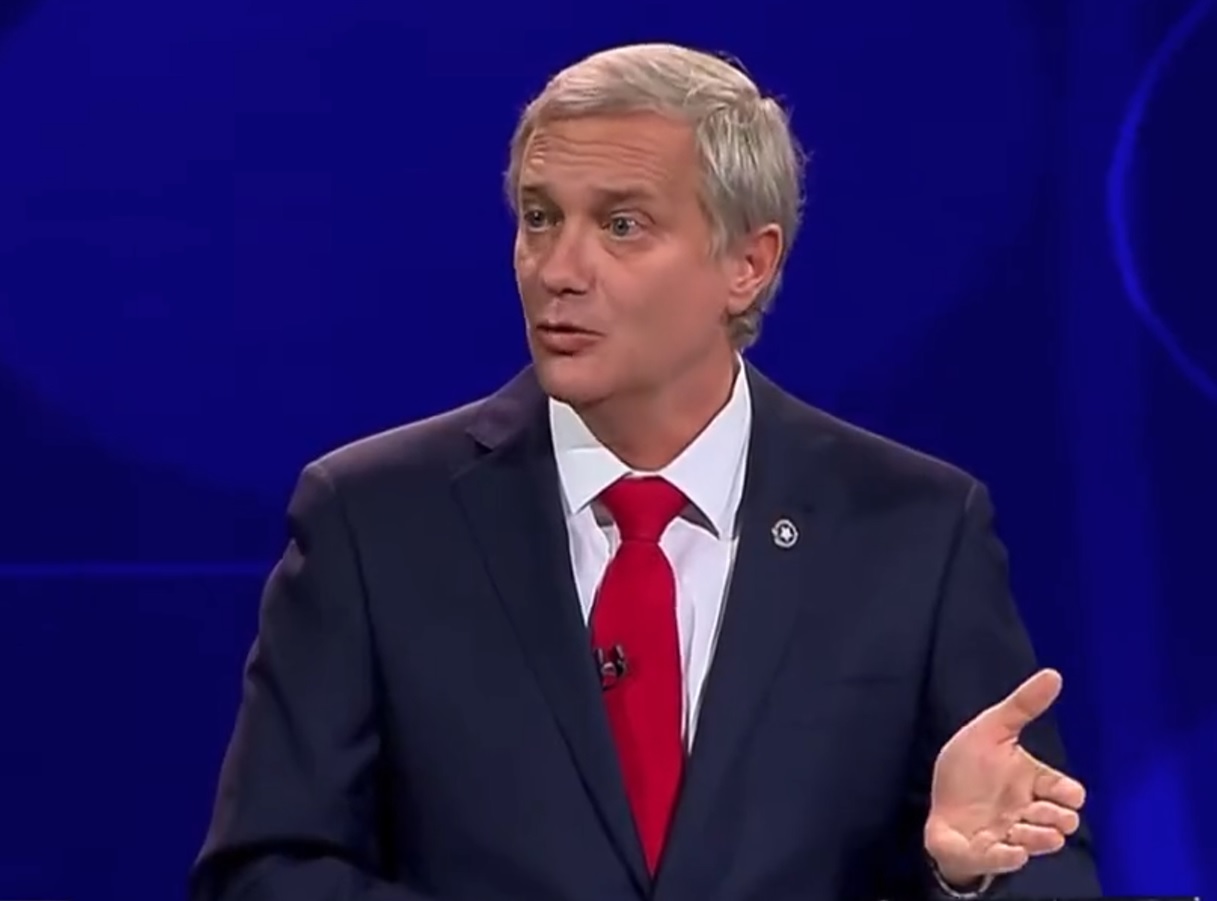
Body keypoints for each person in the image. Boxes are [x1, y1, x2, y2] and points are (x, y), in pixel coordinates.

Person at [190, 43, 1101, 901]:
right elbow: (264, 871)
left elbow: (1044, 874)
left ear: (747, 264)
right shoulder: (373, 519)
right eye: (539, 218)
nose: (558, 269)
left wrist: (958, 877)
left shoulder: (913, 530)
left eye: (621, 225)